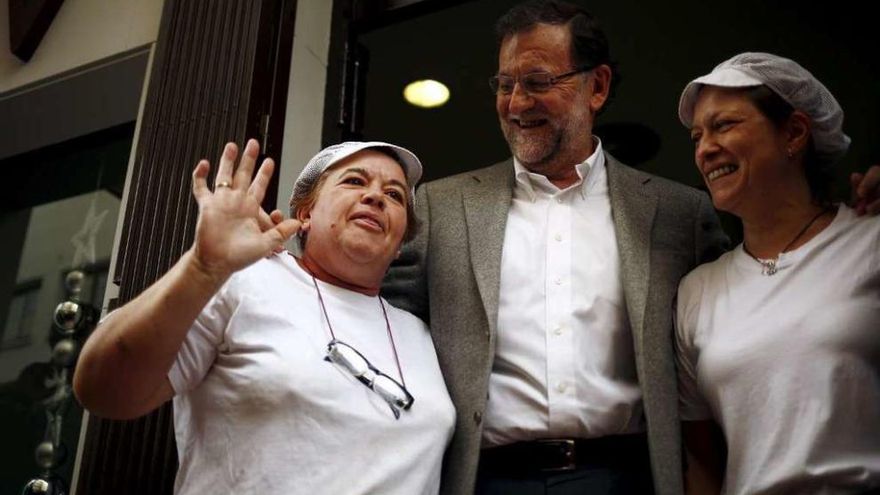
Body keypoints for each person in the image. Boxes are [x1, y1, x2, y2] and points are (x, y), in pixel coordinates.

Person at [382, 1, 730, 494]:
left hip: (628, 478)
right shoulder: (439, 207)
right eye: (504, 85)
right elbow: (381, 334)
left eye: (538, 82)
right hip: (485, 479)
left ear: (598, 87)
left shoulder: (678, 215)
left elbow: (734, 347)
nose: (516, 103)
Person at [73, 140, 455, 494]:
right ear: (305, 213)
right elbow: (102, 389)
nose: (375, 196)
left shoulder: (420, 334)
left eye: (394, 195)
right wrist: (203, 267)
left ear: (402, 237)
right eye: (355, 181)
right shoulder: (245, 281)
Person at [675, 52, 880, 494]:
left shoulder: (870, 244)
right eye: (696, 136)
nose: (705, 148)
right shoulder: (697, 292)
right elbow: (700, 459)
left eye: (724, 125)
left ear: (794, 133)